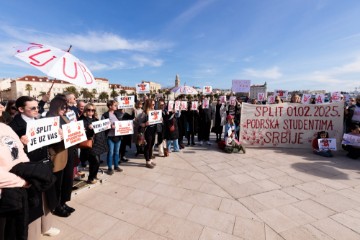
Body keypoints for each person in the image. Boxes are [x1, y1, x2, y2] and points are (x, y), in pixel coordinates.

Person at [9, 96, 60, 238]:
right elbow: (10, 152)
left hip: (44, 163)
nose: (37, 110)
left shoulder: (39, 121)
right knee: (34, 200)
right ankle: (34, 233)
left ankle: (47, 226)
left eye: (37, 107)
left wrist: (58, 135)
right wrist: (20, 143)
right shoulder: (13, 127)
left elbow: (46, 140)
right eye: (33, 108)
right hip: (30, 168)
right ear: (20, 109)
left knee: (48, 197)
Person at [46, 97, 74, 218]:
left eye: (66, 107)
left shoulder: (64, 117)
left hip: (69, 151)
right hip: (58, 153)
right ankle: (56, 206)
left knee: (67, 179)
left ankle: (63, 202)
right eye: (62, 107)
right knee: (58, 181)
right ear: (55, 106)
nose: (64, 109)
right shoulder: (49, 118)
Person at [79, 104, 101, 184]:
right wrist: (88, 128)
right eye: (88, 110)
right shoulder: (81, 119)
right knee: (95, 161)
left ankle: (94, 175)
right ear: (85, 110)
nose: (90, 112)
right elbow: (80, 131)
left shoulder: (96, 119)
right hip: (88, 142)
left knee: (96, 162)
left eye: (92, 110)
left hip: (96, 143)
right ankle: (90, 178)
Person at [102, 100, 123, 175]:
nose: (116, 106)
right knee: (110, 152)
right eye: (115, 105)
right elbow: (102, 125)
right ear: (110, 106)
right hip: (110, 137)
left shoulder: (118, 114)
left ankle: (116, 166)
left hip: (118, 137)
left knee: (117, 152)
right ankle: (110, 168)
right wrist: (110, 126)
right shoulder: (105, 115)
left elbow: (122, 122)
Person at [137, 99, 157, 168]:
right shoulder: (144, 113)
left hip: (153, 131)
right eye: (153, 104)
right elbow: (139, 123)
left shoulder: (154, 112)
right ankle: (147, 162)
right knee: (147, 146)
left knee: (151, 145)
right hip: (147, 132)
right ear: (149, 105)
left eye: (154, 104)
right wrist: (145, 124)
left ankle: (150, 160)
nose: (154, 106)